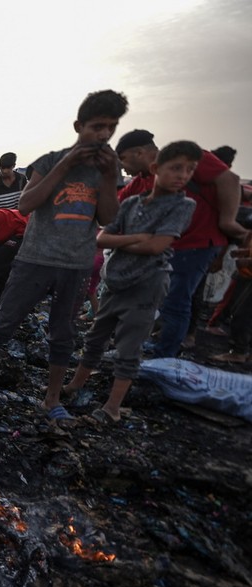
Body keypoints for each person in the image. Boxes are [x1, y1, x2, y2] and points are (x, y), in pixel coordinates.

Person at [0, 89, 128, 426]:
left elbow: (107, 216)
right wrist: (66, 164)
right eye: (97, 127)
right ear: (79, 126)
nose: (103, 135)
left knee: (63, 333)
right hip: (35, 259)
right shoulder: (49, 161)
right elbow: (26, 204)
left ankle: (51, 398)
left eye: (111, 128)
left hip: (75, 264)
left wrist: (107, 177)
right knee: (5, 321)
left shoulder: (109, 168)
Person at [63, 141, 199, 423]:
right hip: (115, 280)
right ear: (155, 169)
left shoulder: (183, 205)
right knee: (96, 338)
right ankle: (75, 385)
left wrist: (126, 242)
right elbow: (102, 238)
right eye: (176, 168)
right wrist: (137, 239)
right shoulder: (133, 203)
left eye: (189, 170)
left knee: (129, 347)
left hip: (146, 283)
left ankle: (112, 406)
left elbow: (157, 247)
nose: (183, 175)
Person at [116, 129, 248, 358]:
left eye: (123, 160)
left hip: (197, 243)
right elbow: (113, 211)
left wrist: (227, 219)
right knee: (162, 299)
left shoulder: (185, 158)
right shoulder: (140, 183)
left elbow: (230, 179)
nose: (122, 168)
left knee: (177, 301)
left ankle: (165, 355)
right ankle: (156, 344)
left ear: (139, 153)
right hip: (169, 249)